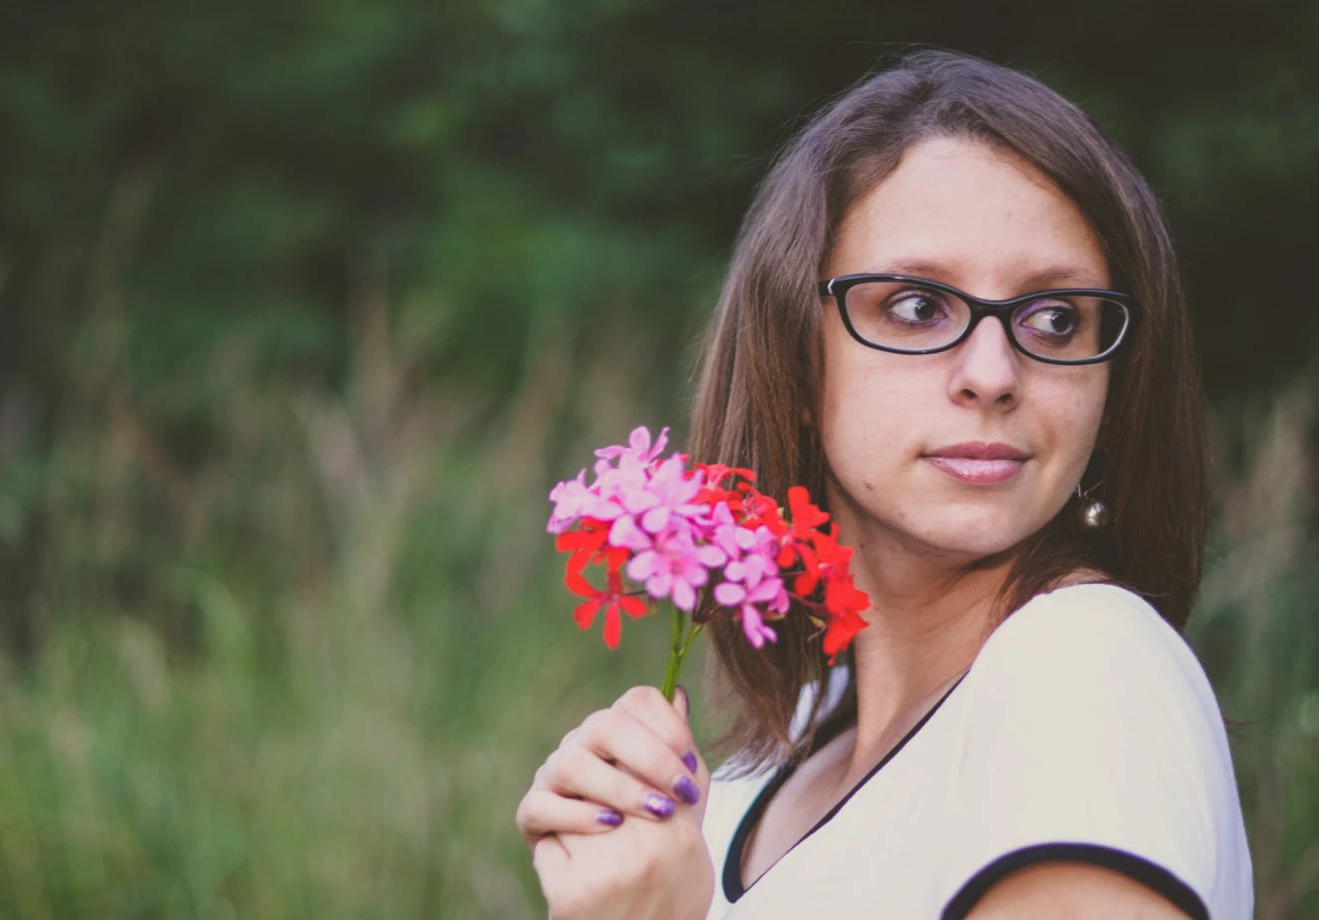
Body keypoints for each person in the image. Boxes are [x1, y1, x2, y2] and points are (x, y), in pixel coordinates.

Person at [514, 48, 1254, 919]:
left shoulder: (1081, 671)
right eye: (916, 306)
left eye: (1054, 319)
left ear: (1109, 394)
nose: (993, 373)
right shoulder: (766, 770)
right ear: (793, 352)